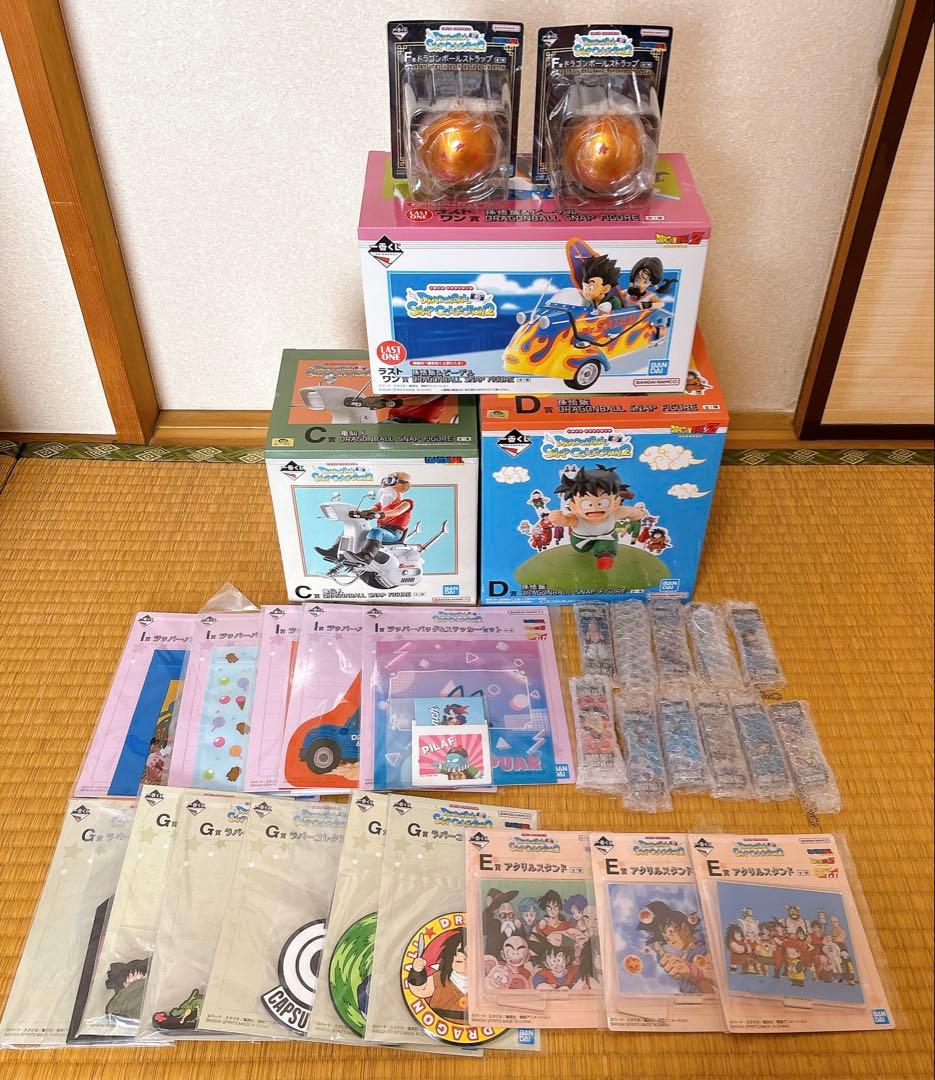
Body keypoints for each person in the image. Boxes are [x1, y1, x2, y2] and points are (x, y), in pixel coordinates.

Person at [547, 464, 642, 572]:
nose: (595, 508)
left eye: (603, 503)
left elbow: (631, 512)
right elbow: (565, 521)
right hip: (580, 541)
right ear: (574, 506)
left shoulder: (616, 512)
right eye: (586, 504)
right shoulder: (576, 517)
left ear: (616, 502)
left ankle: (605, 556)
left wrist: (638, 514)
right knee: (582, 550)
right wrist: (558, 518)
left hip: (607, 537)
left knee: (607, 546)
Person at [315, 472, 413, 566]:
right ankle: (334, 551)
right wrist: (360, 513)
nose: (387, 485)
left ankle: (366, 556)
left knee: (376, 531)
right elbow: (371, 510)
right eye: (385, 481)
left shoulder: (407, 502)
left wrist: (380, 514)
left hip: (394, 533)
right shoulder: (381, 504)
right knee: (351, 528)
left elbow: (397, 511)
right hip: (382, 530)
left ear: (404, 487)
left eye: (391, 481)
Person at [639, 900, 713, 994]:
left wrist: (692, 972)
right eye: (666, 938)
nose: (670, 940)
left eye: (671, 932)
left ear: (685, 928)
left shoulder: (702, 951)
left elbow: (716, 986)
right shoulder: (683, 959)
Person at [406, 929, 469, 1020]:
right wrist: (416, 972)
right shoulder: (438, 978)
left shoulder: (484, 982)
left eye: (467, 953)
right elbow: (420, 990)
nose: (460, 955)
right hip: (438, 1022)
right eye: (456, 951)